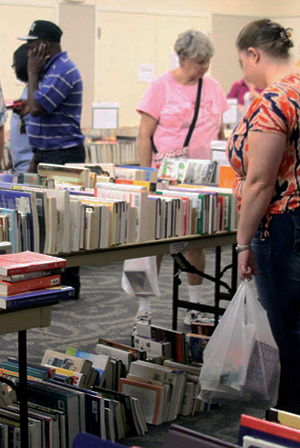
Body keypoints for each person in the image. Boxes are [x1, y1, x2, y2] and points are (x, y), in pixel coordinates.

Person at [226, 18, 300, 414]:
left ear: (253, 53)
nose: (245, 73)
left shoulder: (275, 99)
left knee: (288, 331)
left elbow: (259, 182)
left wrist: (242, 243)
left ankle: (289, 419)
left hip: (284, 225)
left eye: (242, 63)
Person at [136, 29, 229, 327]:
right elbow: (144, 134)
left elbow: (220, 133)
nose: (204, 67)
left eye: (208, 61)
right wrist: (145, 176)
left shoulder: (212, 87)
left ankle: (195, 304)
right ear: (183, 57)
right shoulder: (160, 86)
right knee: (156, 244)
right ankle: (144, 306)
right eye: (200, 61)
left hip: (203, 179)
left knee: (195, 243)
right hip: (166, 177)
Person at [18, 20, 85, 299]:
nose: (29, 52)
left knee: (66, 220)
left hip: (64, 156)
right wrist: (35, 157)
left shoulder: (62, 70)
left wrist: (32, 73)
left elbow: (36, 107)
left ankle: (68, 285)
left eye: (33, 46)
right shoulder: (50, 69)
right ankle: (53, 281)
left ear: (46, 46)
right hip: (47, 154)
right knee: (48, 221)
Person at [9, 43, 32, 173]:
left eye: (15, 65)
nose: (14, 69)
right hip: (20, 165)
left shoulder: (36, 91)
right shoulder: (27, 89)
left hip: (28, 167)